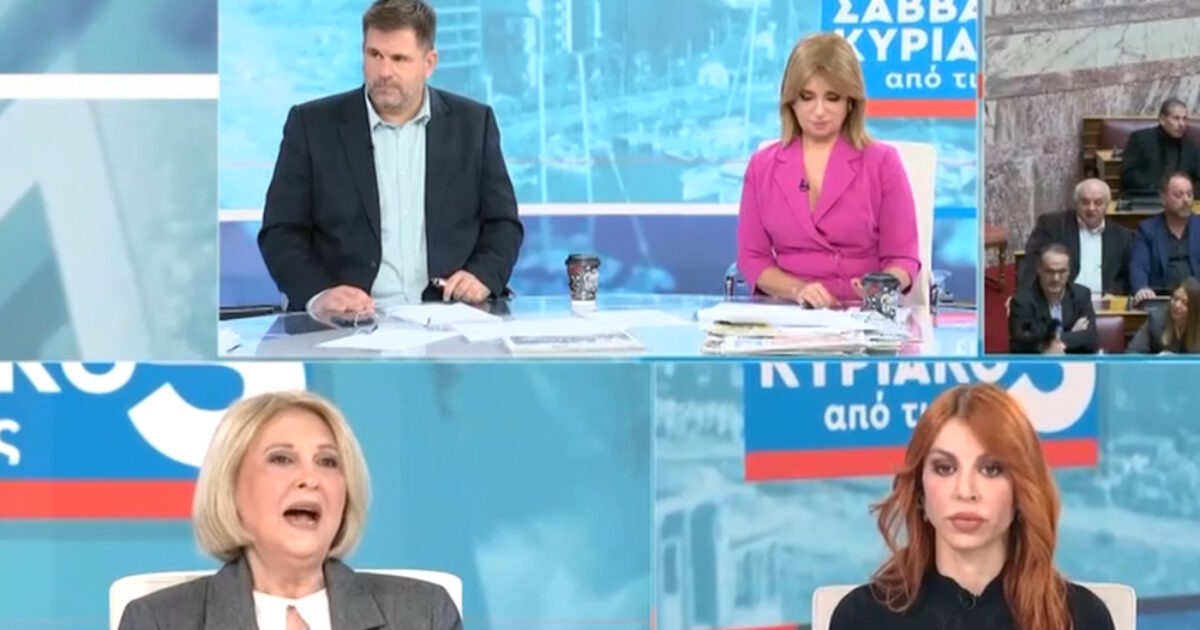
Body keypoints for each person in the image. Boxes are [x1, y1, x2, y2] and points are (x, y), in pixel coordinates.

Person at [258, 0, 524, 318]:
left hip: (451, 315)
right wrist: (320, 294)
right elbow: (281, 232)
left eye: (399, 58)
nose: (384, 72)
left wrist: (482, 275)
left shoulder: (473, 125)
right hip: (348, 323)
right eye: (375, 55)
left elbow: (503, 224)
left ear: (429, 62)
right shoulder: (312, 126)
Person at [118, 391, 461, 630]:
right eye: (282, 459)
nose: (310, 478)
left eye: (328, 461)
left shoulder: (425, 614)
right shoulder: (156, 621)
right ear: (231, 486)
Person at [828, 383, 1115, 630]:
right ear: (919, 490)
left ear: (1021, 491)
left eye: (991, 469)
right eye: (944, 468)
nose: (965, 491)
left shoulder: (1080, 617)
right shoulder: (862, 618)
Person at [736, 32, 920, 308]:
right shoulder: (761, 167)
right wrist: (798, 290)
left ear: (850, 102)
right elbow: (753, 259)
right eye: (807, 97)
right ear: (791, 101)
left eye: (832, 98)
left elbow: (903, 257)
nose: (819, 111)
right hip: (791, 314)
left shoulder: (883, 163)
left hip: (863, 314)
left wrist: (881, 287)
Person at [1017, 178, 1133, 296]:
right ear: (1076, 203)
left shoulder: (1122, 236)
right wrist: (1024, 297)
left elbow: (1127, 277)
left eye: (1098, 202)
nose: (1091, 208)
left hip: (1105, 300)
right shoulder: (1052, 226)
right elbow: (1031, 263)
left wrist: (1113, 293)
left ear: (1107, 205)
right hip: (1063, 299)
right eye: (1085, 202)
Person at [1008, 244, 1098, 354]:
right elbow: (1021, 342)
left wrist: (1057, 341)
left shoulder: (1081, 295)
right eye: (1049, 271)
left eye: (1062, 271)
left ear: (1069, 271)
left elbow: (1091, 338)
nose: (1056, 278)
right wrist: (1072, 335)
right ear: (1039, 270)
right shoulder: (1022, 301)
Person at [1130, 172, 1200, 304]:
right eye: (1178, 195)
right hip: (1162, 300)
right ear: (1163, 198)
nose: (1186, 200)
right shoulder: (1148, 229)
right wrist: (1142, 288)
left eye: (1189, 194)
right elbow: (1139, 266)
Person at [1120, 98, 1200, 194]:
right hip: (1147, 197)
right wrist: (1162, 188)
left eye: (1184, 119)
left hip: (1182, 199)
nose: (1182, 124)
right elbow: (1128, 176)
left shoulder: (1192, 147)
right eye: (1176, 118)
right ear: (1162, 120)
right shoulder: (1140, 139)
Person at [1128, 276, 1200, 354]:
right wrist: (1158, 359)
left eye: (1184, 303)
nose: (1177, 305)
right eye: (1175, 298)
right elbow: (1132, 353)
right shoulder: (1156, 320)